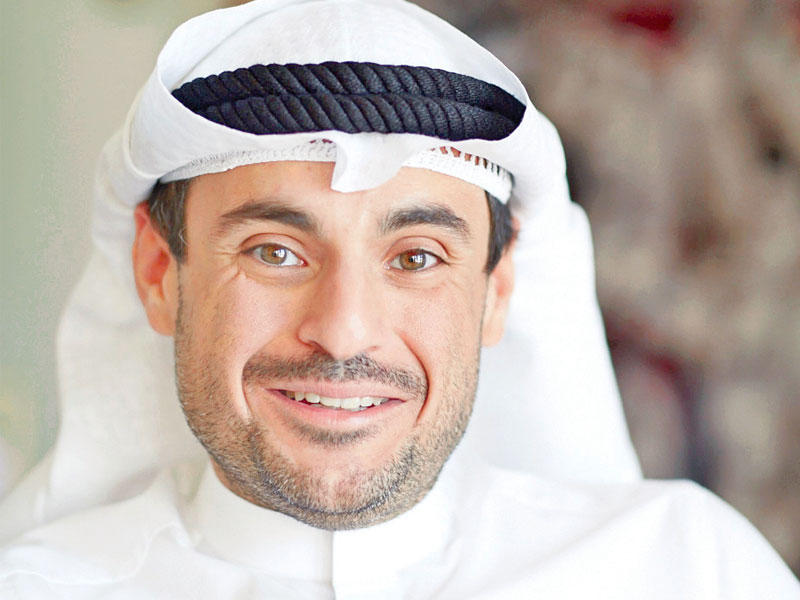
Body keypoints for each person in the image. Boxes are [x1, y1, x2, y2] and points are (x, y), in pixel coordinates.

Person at [1, 0, 797, 597]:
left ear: (497, 289)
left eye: (416, 257)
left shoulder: (685, 569)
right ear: (159, 273)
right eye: (275, 252)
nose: (343, 332)